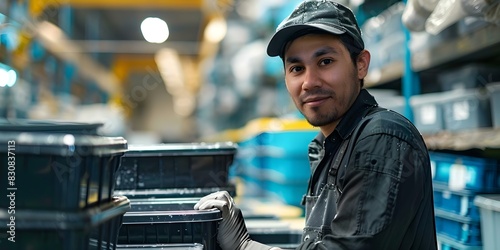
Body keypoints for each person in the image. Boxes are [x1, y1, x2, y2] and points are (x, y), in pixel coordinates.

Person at [194, 1, 438, 249]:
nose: (309, 82)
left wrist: (246, 247)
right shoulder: (328, 147)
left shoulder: (381, 138)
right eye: (297, 68)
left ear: (361, 64)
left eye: (325, 62)